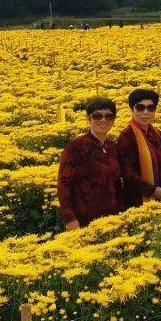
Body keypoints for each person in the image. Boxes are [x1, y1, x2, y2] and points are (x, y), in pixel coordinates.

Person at [56, 97, 123, 230]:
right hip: (85, 220)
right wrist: (70, 218)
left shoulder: (112, 147)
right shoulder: (75, 148)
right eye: (97, 116)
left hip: (112, 218)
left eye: (108, 116)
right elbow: (64, 185)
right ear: (89, 119)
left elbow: (117, 183)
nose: (103, 120)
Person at [116, 88, 161, 209]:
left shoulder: (157, 133)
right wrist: (151, 190)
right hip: (138, 201)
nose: (146, 112)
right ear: (132, 109)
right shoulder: (127, 136)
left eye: (150, 108)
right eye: (140, 108)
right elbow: (127, 173)